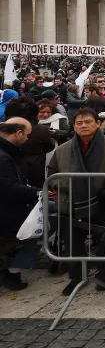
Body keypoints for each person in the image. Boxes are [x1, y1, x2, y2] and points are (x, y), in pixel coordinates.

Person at [47, 108, 105, 296]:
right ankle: (76, 277)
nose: (84, 126)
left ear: (97, 123)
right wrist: (66, 183)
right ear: (74, 126)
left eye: (88, 122)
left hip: (103, 201)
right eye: (79, 123)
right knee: (73, 243)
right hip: (71, 202)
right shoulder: (63, 149)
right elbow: (52, 173)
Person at [0, 118, 39, 291]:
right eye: (27, 135)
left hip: (8, 208)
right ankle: (12, 273)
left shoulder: (8, 152)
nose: (28, 139)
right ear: (18, 133)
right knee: (25, 238)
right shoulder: (4, 156)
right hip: (7, 210)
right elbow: (10, 188)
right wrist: (37, 192)